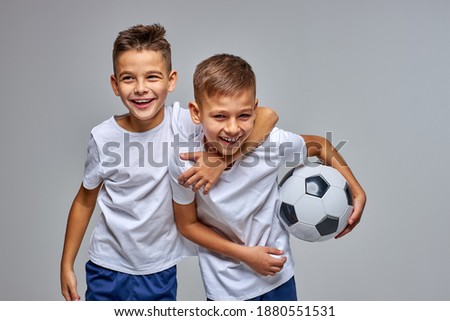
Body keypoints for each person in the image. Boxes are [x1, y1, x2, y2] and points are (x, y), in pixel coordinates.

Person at [60, 24, 278, 301]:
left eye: (152, 77)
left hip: (160, 269)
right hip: (107, 267)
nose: (141, 89)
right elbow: (84, 200)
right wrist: (67, 263)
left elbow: (268, 115)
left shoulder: (185, 123)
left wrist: (222, 161)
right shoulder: (104, 138)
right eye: (128, 78)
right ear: (115, 84)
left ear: (171, 80)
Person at [169, 53, 367, 301]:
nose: (232, 128)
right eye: (220, 116)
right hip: (226, 289)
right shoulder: (185, 161)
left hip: (278, 278)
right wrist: (245, 255)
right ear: (196, 113)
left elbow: (318, 145)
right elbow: (187, 225)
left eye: (243, 115)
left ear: (254, 110)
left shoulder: (269, 144)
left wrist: (356, 189)